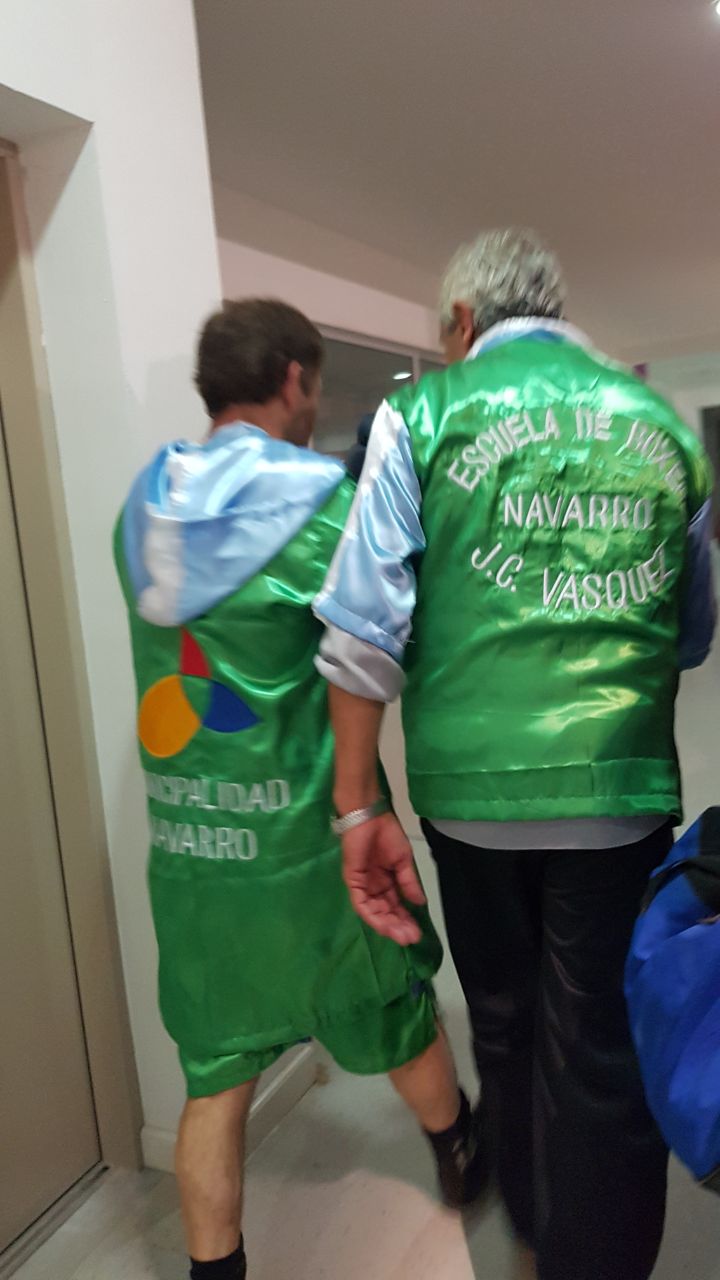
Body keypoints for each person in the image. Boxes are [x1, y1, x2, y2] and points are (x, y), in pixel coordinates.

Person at [314, 230, 717, 1280]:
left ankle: (535, 1241)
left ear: (461, 322)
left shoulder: (419, 415)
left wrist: (359, 808)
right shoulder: (662, 428)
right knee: (600, 1049)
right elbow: (690, 635)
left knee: (502, 1023)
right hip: (619, 793)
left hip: (468, 800)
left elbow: (360, 634)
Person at [114, 299, 487, 1280]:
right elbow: (386, 632)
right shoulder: (324, 506)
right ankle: (460, 1152)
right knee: (397, 1009)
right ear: (293, 378)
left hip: (195, 861)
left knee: (215, 1076)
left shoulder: (140, 515)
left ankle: (215, 1270)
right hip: (318, 850)